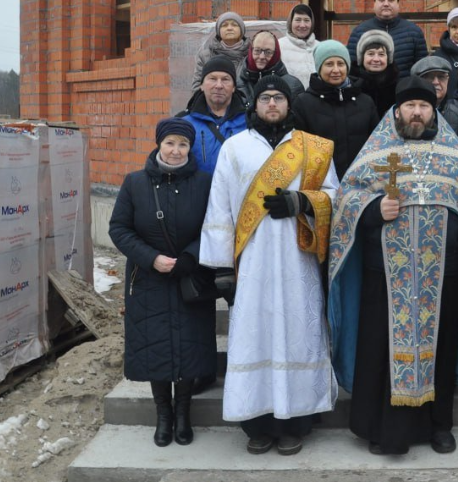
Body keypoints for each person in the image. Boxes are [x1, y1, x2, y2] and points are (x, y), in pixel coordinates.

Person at [329, 77, 458, 456]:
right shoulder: (376, 154)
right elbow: (345, 199)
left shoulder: (456, 158)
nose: (416, 112)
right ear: (397, 112)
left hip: (445, 273)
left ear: (433, 111)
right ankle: (382, 428)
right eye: (409, 106)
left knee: (443, 350)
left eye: (423, 106)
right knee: (380, 350)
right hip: (384, 273)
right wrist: (372, 210)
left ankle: (440, 426)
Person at [199, 76, 339, 456]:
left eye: (279, 98)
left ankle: (296, 422)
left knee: (299, 334)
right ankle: (256, 424)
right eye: (265, 98)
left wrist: (302, 203)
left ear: (289, 105)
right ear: (254, 105)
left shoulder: (312, 149)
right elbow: (221, 208)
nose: (272, 104)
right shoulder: (235, 147)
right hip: (253, 263)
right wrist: (221, 268)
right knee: (254, 335)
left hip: (299, 262)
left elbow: (333, 197)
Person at [109, 118, 216, 448]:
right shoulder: (135, 183)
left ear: (189, 148)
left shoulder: (205, 182)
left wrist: (191, 257)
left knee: (189, 344)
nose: (175, 150)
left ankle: (183, 412)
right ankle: (163, 415)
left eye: (182, 144)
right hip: (148, 278)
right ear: (159, 145)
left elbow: (216, 225)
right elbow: (119, 229)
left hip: (190, 277)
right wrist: (150, 258)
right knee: (155, 344)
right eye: (170, 143)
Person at [292, 40, 379, 178]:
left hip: (360, 180)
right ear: (319, 68)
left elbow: (376, 145)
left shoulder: (365, 102)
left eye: (341, 64)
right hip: (320, 181)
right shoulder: (303, 103)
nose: (336, 70)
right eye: (329, 64)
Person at [178, 56, 247, 175]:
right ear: (202, 85)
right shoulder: (183, 123)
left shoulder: (249, 122)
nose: (219, 85)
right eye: (212, 79)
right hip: (198, 192)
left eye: (225, 79)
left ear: (234, 87)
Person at [346, 0, 428, 78]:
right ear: (374, 3)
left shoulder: (414, 32)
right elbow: (351, 70)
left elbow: (422, 70)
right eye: (381, 0)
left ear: (398, 4)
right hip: (368, 92)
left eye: (391, 0)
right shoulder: (359, 32)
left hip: (403, 91)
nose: (386, 4)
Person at [411, 56, 458, 140]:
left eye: (441, 77)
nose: (436, 82)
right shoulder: (404, 115)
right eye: (429, 77)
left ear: (448, 80)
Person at [236, 30, 302, 105]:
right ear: (251, 51)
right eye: (257, 50)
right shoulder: (236, 83)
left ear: (276, 54)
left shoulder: (292, 86)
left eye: (268, 52)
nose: (261, 56)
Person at [191, 12, 250, 90]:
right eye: (224, 25)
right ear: (219, 31)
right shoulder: (205, 56)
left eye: (234, 25)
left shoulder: (252, 55)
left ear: (241, 30)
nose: (229, 28)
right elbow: (197, 87)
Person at [353, 29, 399, 116]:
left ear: (388, 58)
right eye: (371, 54)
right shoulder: (351, 85)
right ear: (362, 57)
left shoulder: (398, 87)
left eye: (381, 54)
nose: (376, 59)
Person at [278, 4, 319, 90]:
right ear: (290, 22)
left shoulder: (320, 47)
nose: (302, 25)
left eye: (306, 20)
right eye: (298, 20)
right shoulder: (279, 46)